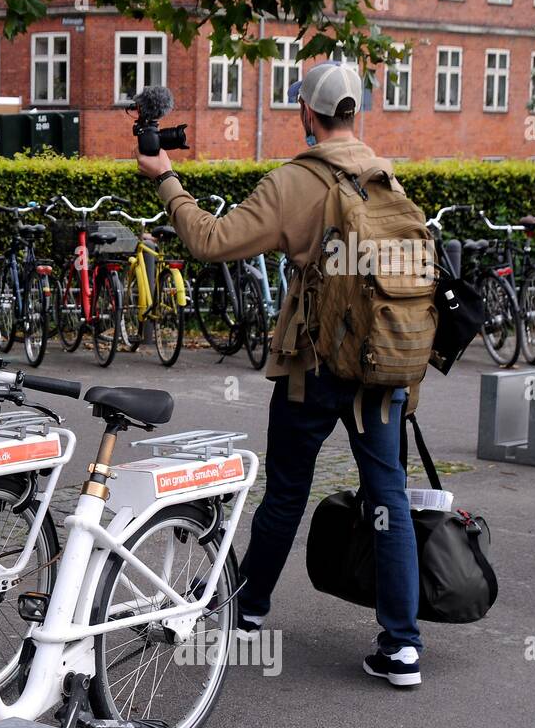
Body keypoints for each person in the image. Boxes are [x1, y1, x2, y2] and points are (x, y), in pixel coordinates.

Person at [136, 62, 423, 688]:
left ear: (306, 115)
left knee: (288, 488)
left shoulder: (297, 182)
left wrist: (166, 181)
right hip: (382, 367)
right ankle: (402, 647)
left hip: (315, 368)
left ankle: (249, 612)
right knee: (388, 497)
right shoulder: (387, 177)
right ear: (355, 112)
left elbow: (211, 241)